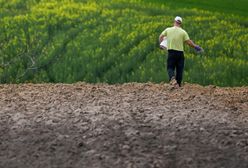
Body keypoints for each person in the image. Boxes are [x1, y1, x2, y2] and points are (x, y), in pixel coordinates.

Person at [159, 16, 202, 87]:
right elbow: (188, 42)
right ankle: (178, 85)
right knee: (180, 70)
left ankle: (172, 79)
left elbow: (160, 36)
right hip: (180, 54)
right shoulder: (183, 32)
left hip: (171, 52)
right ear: (180, 23)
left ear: (174, 21)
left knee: (170, 67)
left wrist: (161, 45)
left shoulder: (168, 30)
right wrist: (196, 46)